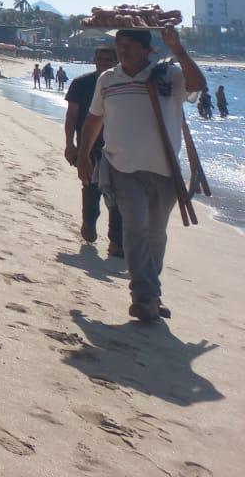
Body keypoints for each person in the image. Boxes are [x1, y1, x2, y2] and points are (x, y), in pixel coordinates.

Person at [77, 27, 207, 323]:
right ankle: (144, 297)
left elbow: (199, 84)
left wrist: (178, 48)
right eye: (120, 44)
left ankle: (152, 292)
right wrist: (84, 153)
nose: (123, 49)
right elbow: (95, 117)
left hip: (164, 171)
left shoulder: (168, 75)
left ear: (148, 50)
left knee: (155, 234)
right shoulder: (107, 79)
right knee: (135, 228)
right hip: (122, 169)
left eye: (131, 44)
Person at [65, 46, 123, 257]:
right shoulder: (81, 83)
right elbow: (71, 116)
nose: (103, 62)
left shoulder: (123, 85)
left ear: (117, 61)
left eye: (108, 59)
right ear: (94, 60)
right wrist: (70, 144)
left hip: (119, 149)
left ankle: (116, 241)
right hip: (89, 148)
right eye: (100, 58)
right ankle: (89, 222)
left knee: (118, 197)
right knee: (91, 188)